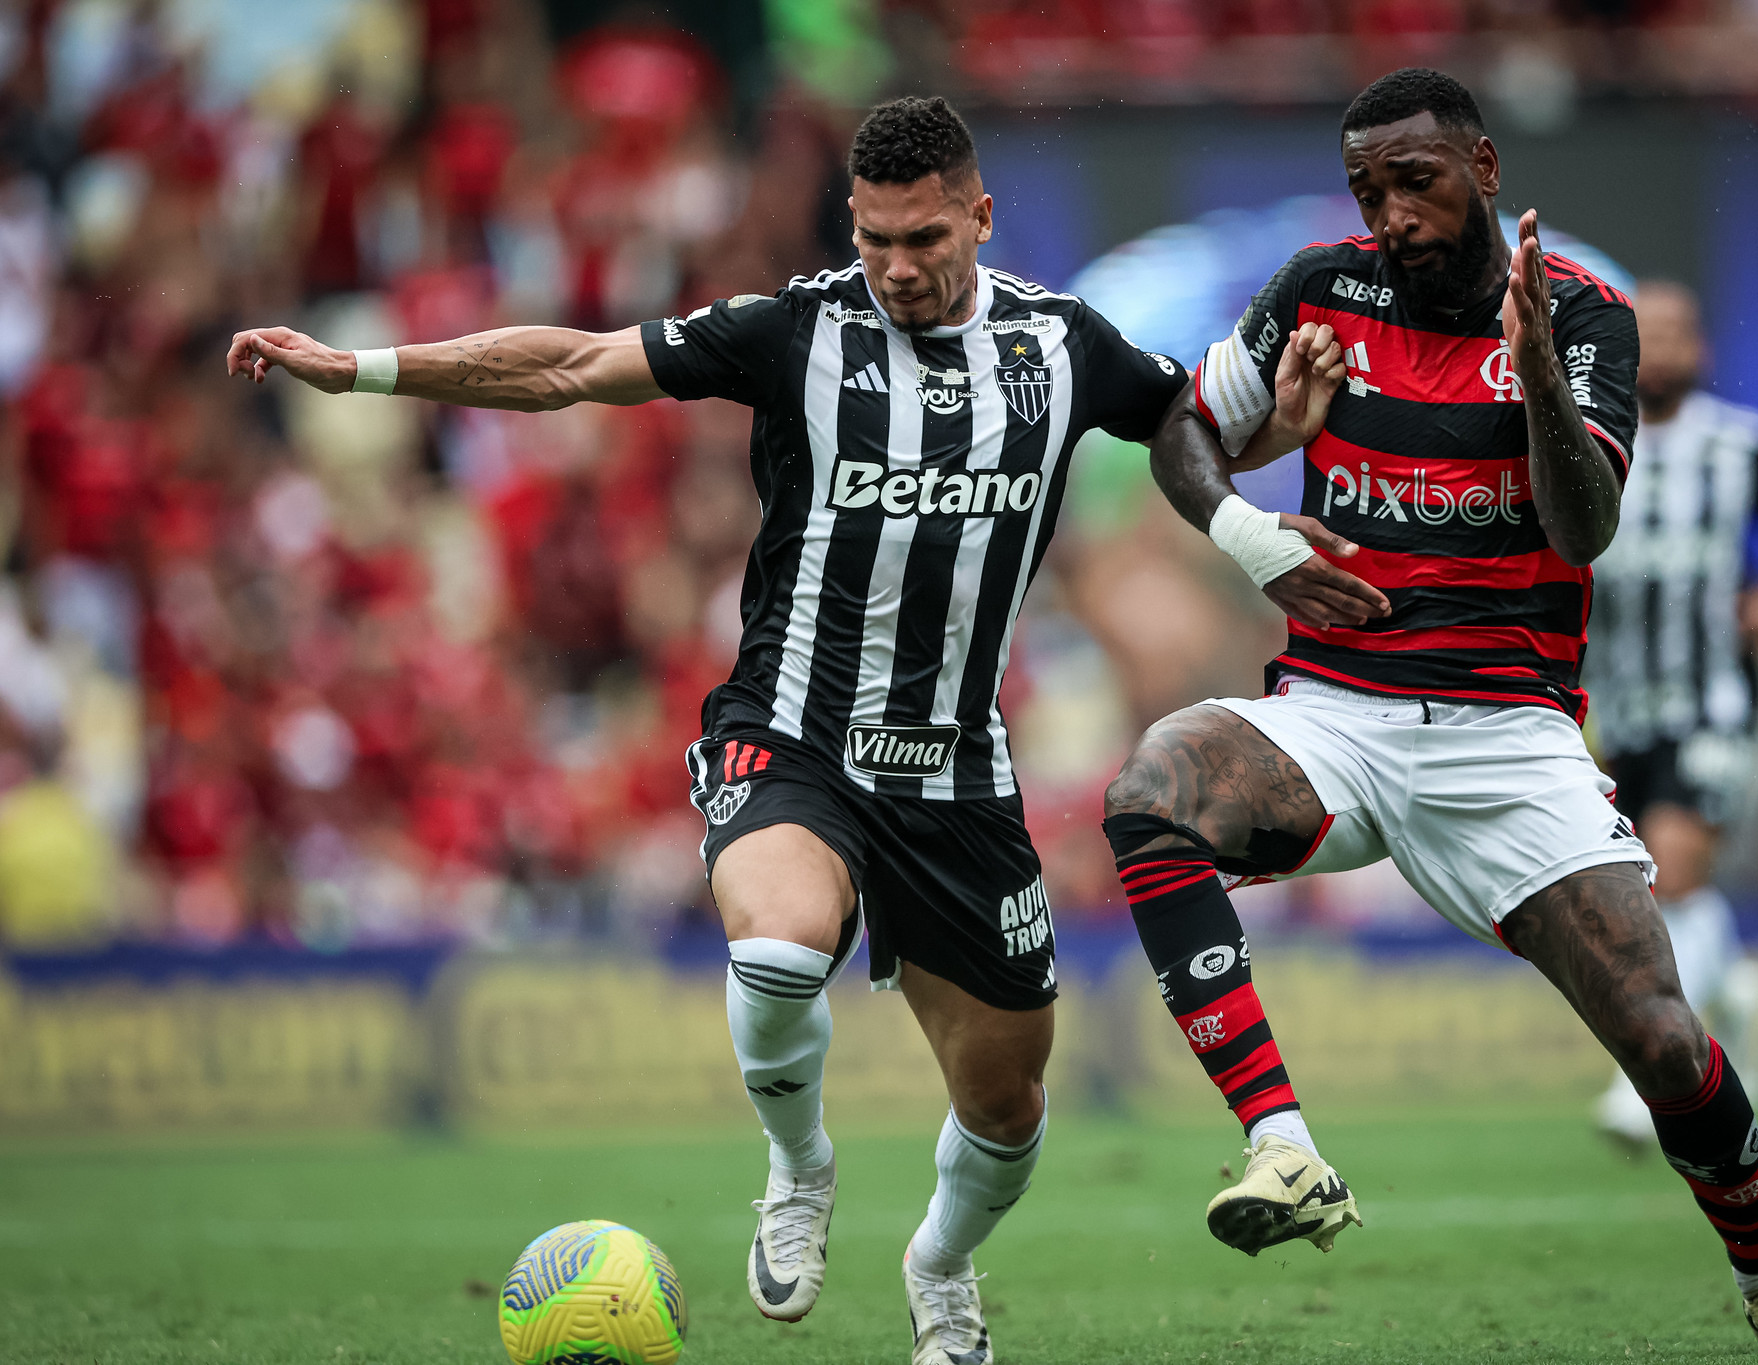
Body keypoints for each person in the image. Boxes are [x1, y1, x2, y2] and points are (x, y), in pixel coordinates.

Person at [227, 96, 1242, 1365]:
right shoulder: (795, 329)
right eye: (873, 239)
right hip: (790, 728)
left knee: (1008, 1105)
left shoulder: (1065, 344)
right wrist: (367, 369)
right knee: (774, 949)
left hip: (957, 768)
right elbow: (570, 365)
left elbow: (1191, 422)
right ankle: (798, 1166)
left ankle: (939, 1270)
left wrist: (1274, 497)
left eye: (924, 239)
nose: (896, 267)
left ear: (979, 219)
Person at [1101, 68, 1758, 1351]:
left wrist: (1538, 387)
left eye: (1413, 180)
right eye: (1367, 188)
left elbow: (1585, 525)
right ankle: (1282, 1147)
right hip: (1335, 710)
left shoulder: (1580, 323)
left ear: (1482, 169)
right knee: (1155, 789)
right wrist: (1252, 537)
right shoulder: (1318, 292)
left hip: (1507, 734)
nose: (1390, 214)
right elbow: (1185, 431)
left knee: (1663, 1044)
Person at [1580, 280, 1758, 1151]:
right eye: (1650, 332)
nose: (1667, 345)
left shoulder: (1743, 445)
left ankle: (1638, 1077)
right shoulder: (1592, 442)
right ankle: (1739, 998)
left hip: (1714, 697)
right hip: (1615, 708)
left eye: (1682, 330)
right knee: (1640, 890)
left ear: (1704, 349)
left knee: (1675, 866)